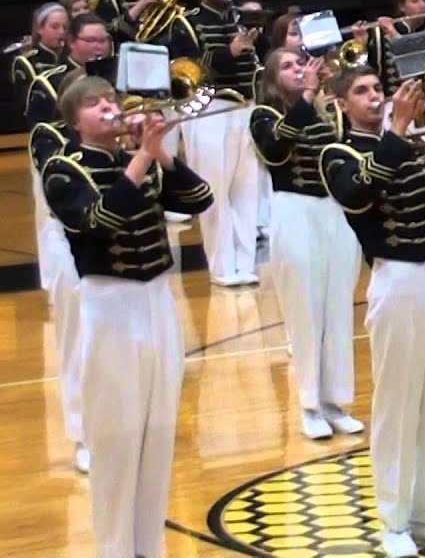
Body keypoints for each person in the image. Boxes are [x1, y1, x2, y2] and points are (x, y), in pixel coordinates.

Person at [42, 76, 213, 557]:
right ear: (75, 121)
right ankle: (114, 549)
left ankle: (149, 546)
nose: (109, 109)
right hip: (109, 300)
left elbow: (199, 200)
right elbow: (98, 221)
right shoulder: (63, 168)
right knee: (116, 435)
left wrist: (160, 154)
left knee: (158, 429)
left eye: (111, 101)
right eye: (95, 105)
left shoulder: (136, 161)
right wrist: (141, 157)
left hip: (157, 297)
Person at [321, 67, 425, 556]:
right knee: (396, 403)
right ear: (342, 105)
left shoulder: (413, 144)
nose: (374, 98)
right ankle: (394, 522)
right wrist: (397, 132)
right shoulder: (338, 152)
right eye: (362, 93)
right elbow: (357, 192)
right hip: (394, 278)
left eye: (377, 90)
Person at [250, 47, 363, 440]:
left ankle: (336, 401)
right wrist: (307, 98)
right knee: (305, 311)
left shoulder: (328, 109)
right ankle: (310, 404)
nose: (299, 70)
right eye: (288, 66)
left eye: (301, 63)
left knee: (337, 310)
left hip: (334, 210)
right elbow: (275, 149)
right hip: (295, 209)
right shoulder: (264, 114)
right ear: (271, 77)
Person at [168, 0, 263, 286]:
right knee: (215, 188)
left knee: (246, 189)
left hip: (244, 107)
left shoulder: (241, 19)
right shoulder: (187, 22)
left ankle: (246, 262)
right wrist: (230, 51)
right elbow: (189, 69)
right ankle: (222, 266)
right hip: (208, 111)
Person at [29, 67, 88, 474]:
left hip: (109, 243)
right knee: (76, 341)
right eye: (94, 104)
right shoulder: (48, 136)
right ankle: (83, 433)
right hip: (66, 237)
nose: (108, 110)